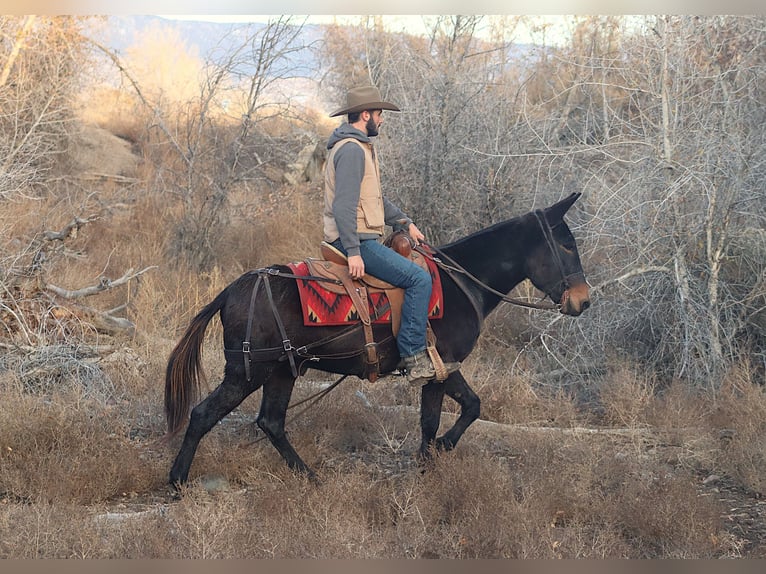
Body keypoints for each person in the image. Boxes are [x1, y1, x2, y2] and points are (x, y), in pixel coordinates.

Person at [323, 85, 458, 385]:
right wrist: (353, 251)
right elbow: (343, 206)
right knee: (419, 279)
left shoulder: (359, 147)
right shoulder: (352, 151)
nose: (382, 120)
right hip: (355, 240)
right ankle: (412, 356)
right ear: (366, 115)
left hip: (360, 236)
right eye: (380, 114)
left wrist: (404, 223)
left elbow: (373, 201)